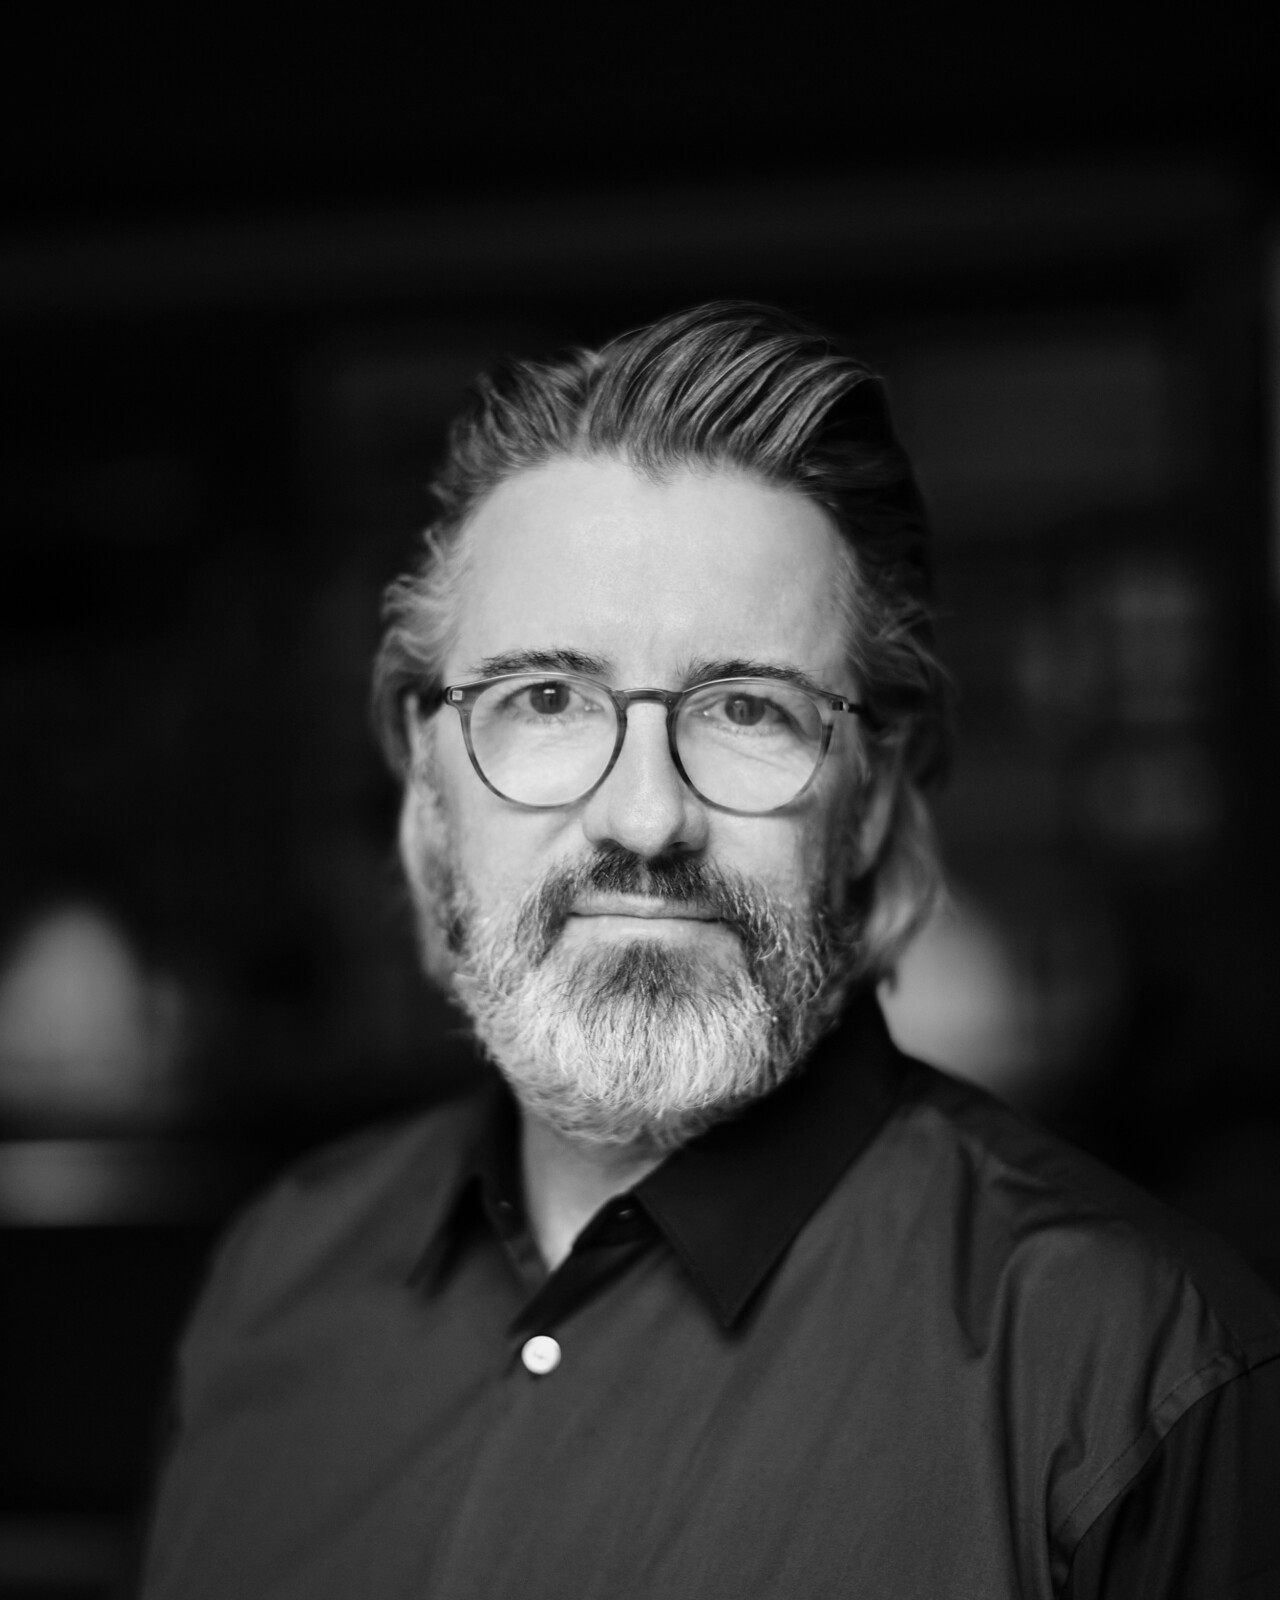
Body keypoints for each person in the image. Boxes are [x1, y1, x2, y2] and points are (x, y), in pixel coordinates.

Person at [141, 304, 1280, 1599]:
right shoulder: (273, 1286)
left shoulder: (1137, 1372)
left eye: (746, 707)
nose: (645, 818)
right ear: (429, 775)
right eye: (545, 698)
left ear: (871, 791)